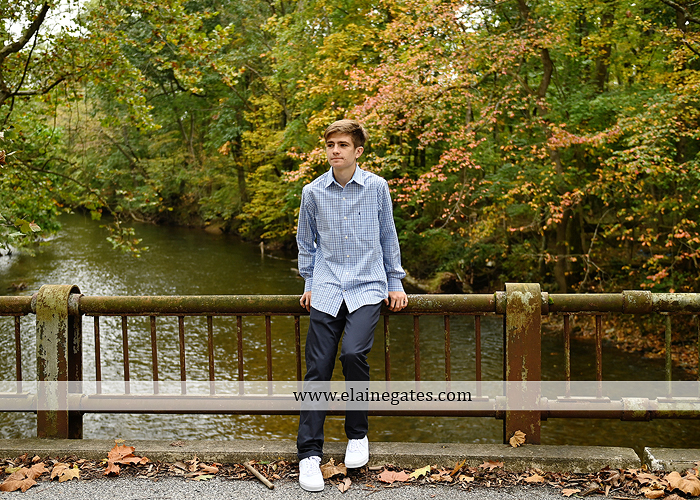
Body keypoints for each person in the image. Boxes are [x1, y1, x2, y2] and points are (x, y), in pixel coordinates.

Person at [295, 119, 408, 492]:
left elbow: (388, 235)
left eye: (342, 145)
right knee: (317, 370)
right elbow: (306, 242)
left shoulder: (377, 187)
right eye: (330, 145)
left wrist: (395, 282)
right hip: (327, 287)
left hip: (367, 286)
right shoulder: (312, 191)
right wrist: (310, 282)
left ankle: (357, 435)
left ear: (357, 151)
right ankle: (309, 455)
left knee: (354, 354)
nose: (335, 150)